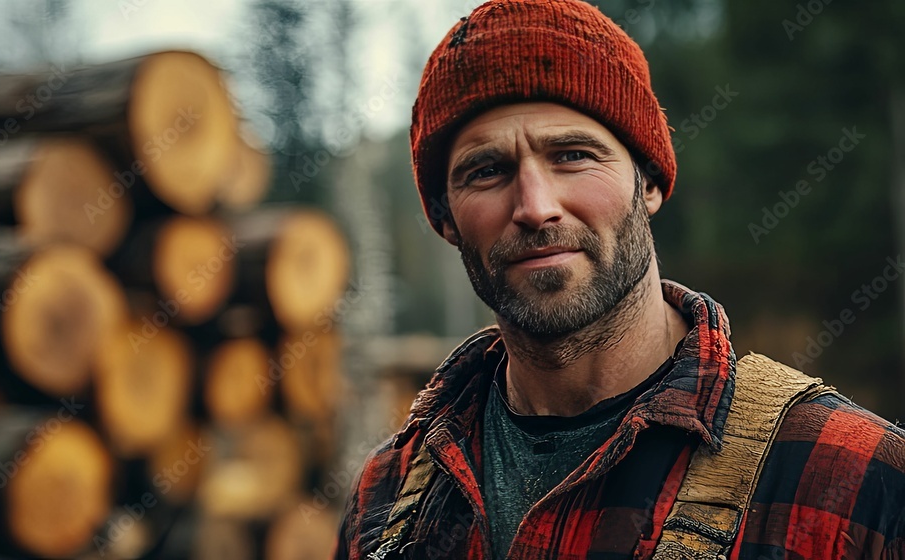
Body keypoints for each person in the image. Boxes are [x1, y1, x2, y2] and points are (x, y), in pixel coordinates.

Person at [334, 1, 905, 558]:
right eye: (487, 171)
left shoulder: (855, 477)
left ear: (649, 182)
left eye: (573, 155)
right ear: (444, 218)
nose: (535, 206)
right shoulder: (387, 497)